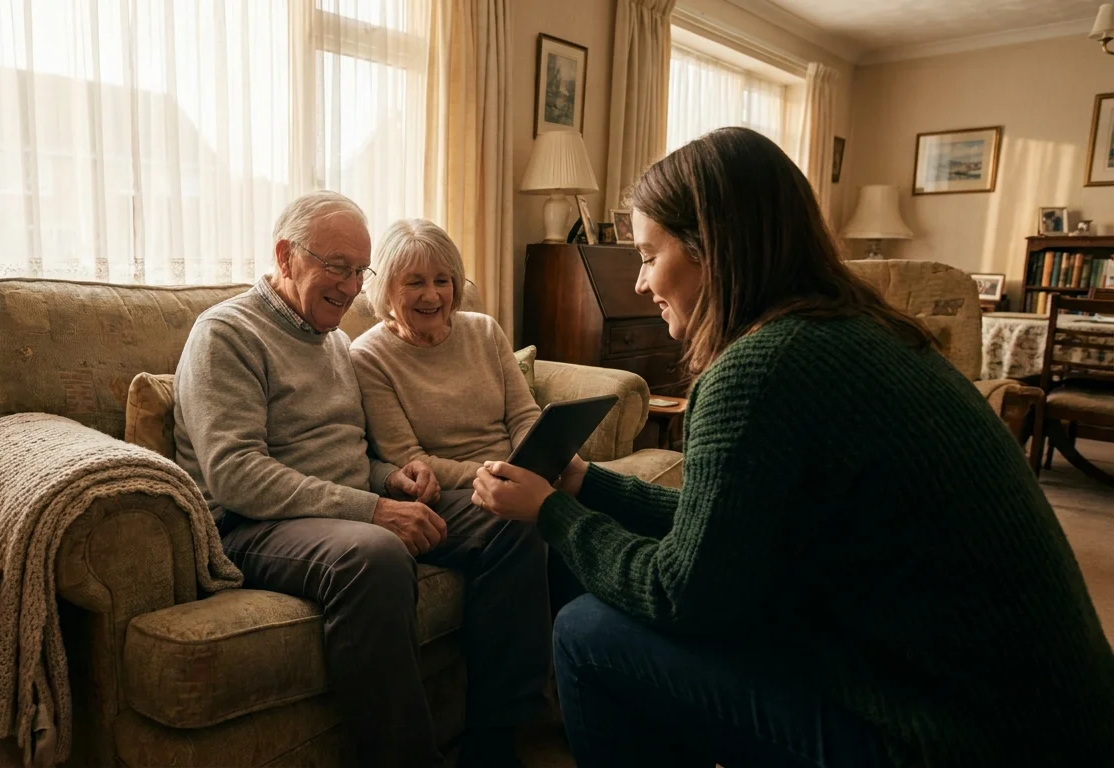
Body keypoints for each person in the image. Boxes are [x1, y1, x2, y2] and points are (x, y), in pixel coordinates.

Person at [470, 127, 1114, 766]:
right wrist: (585, 483)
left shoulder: (760, 370)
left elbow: (682, 595)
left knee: (587, 634)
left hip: (948, 739)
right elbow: (728, 530)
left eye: (646, 255)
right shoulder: (863, 333)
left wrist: (553, 514)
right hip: (1053, 720)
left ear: (711, 249)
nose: (639, 283)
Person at [171, 191, 550, 768]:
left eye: (358, 271)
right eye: (336, 267)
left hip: (339, 509)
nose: (350, 288)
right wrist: (371, 510)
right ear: (285, 256)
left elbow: (346, 457)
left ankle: (493, 743)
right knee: (374, 554)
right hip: (251, 524)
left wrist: (395, 477)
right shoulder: (226, 334)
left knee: (509, 518)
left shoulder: (334, 340)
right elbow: (236, 476)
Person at [350, 218, 540, 491]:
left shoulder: (484, 330)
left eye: (442, 280)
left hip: (515, 476)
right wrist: (501, 477)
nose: (431, 295)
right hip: (455, 492)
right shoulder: (369, 356)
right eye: (415, 283)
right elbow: (409, 458)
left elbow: (524, 416)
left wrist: (535, 466)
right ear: (386, 290)